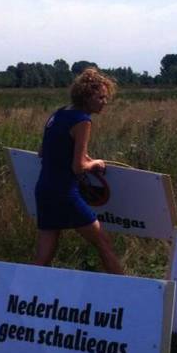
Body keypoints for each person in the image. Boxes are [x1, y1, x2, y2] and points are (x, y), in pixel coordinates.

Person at [33, 68, 123, 275]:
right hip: (65, 193)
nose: (104, 102)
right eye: (100, 97)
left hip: (44, 191)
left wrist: (85, 158)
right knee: (103, 243)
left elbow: (43, 152)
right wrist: (95, 163)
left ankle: (21, 297)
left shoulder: (59, 113)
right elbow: (78, 167)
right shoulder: (83, 120)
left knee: (43, 257)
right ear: (86, 96)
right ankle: (128, 294)